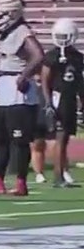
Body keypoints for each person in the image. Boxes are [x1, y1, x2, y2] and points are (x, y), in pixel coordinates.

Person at [0, 0, 43, 197]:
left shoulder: (23, 32)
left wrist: (24, 75)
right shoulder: (6, 33)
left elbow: (39, 56)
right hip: (4, 89)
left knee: (19, 140)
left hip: (18, 92)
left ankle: (21, 182)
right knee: (0, 138)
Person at [40, 18, 83, 188]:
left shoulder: (78, 57)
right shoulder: (51, 56)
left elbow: (80, 81)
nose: (63, 40)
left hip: (70, 99)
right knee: (60, 137)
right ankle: (58, 176)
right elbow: (45, 80)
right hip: (59, 99)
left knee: (65, 139)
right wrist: (48, 102)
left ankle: (62, 174)